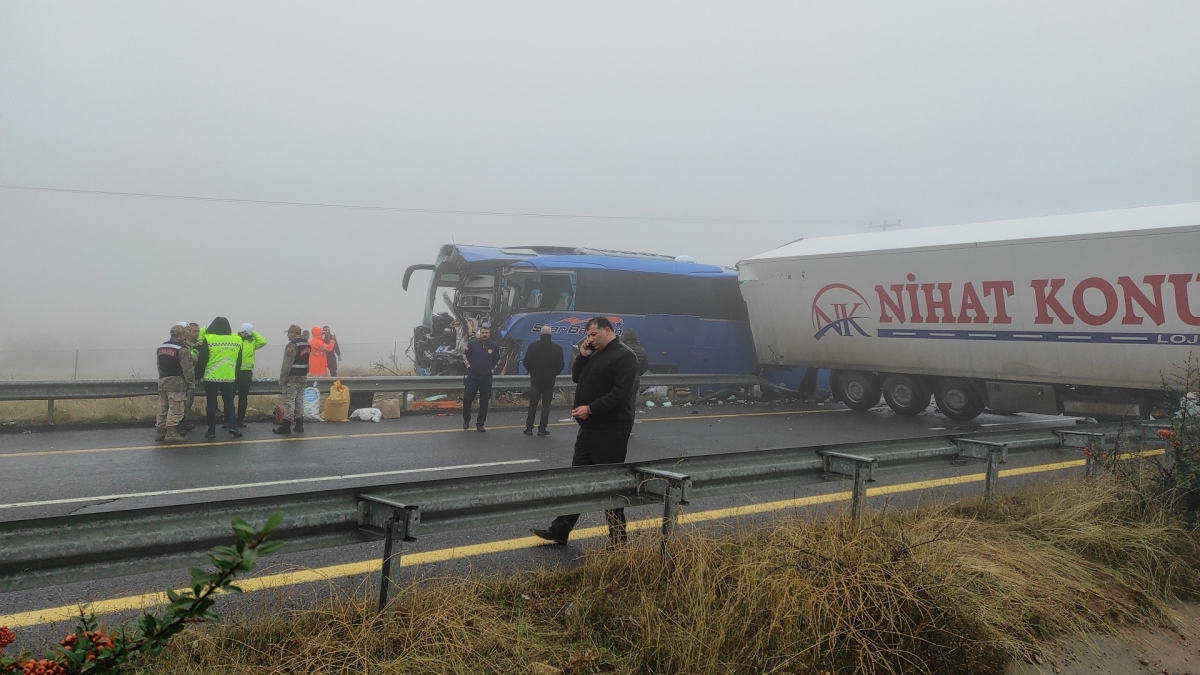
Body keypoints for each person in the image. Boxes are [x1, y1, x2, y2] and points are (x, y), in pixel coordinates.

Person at [531, 317, 639, 546]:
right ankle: (560, 530)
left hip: (610, 430)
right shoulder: (596, 352)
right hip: (589, 428)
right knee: (579, 481)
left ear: (607, 330)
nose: (589, 340)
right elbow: (577, 377)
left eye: (593, 335)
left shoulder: (625, 356)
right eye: (588, 336)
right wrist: (583, 356)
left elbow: (620, 394)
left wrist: (591, 408)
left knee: (609, 485)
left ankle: (618, 539)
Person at [195, 317, 243, 439]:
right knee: (229, 403)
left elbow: (202, 359)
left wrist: (197, 376)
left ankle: (211, 430)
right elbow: (239, 360)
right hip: (229, 376)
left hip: (211, 377)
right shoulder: (237, 339)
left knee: (211, 403)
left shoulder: (209, 339)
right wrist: (235, 375)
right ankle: (233, 426)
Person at [154, 324, 195, 444]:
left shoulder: (161, 347)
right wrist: (191, 383)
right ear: (182, 335)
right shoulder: (182, 349)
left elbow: (159, 365)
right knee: (176, 407)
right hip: (176, 382)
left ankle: (160, 431)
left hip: (162, 380)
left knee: (163, 407)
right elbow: (187, 368)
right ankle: (171, 433)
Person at [522, 325, 564, 436]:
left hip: (536, 379)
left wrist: (532, 371)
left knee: (533, 403)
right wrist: (553, 373)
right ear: (551, 335)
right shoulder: (557, 348)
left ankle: (529, 427)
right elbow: (561, 364)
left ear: (541, 334)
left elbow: (526, 361)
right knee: (546, 405)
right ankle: (542, 428)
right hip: (549, 380)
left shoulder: (533, 346)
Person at [461, 325, 501, 432]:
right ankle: (466, 420)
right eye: (483, 333)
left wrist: (492, 369)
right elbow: (464, 356)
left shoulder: (494, 345)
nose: (484, 335)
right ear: (480, 333)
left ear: (489, 334)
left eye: (486, 333)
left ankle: (480, 424)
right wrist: (469, 367)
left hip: (486, 378)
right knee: (467, 399)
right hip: (473, 377)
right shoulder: (472, 344)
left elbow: (497, 360)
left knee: (484, 402)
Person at [274, 324, 311, 435]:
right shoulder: (307, 344)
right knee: (299, 400)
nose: (288, 335)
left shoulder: (292, 345)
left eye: (289, 333)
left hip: (292, 377)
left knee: (289, 401)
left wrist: (283, 378)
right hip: (303, 376)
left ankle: (286, 426)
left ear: (294, 333)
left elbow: (287, 364)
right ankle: (299, 425)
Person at [235, 323, 268, 427]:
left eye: (246, 331)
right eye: (243, 331)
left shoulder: (252, 341)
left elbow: (263, 341)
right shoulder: (235, 338)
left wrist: (252, 331)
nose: (244, 333)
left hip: (246, 372)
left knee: (243, 397)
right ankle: (228, 419)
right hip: (233, 371)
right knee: (229, 396)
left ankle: (240, 419)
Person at [620, 328, 651, 408]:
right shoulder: (641, 350)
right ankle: (630, 419)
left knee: (621, 402)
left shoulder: (621, 349)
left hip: (621, 379)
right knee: (631, 403)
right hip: (635, 380)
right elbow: (645, 366)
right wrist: (637, 373)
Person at [180, 322, 202, 432]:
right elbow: (190, 360)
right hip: (185, 378)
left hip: (193, 377)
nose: (196, 333)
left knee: (189, 401)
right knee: (184, 402)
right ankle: (181, 422)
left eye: (198, 331)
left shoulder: (197, 344)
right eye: (194, 331)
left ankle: (184, 420)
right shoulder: (184, 345)